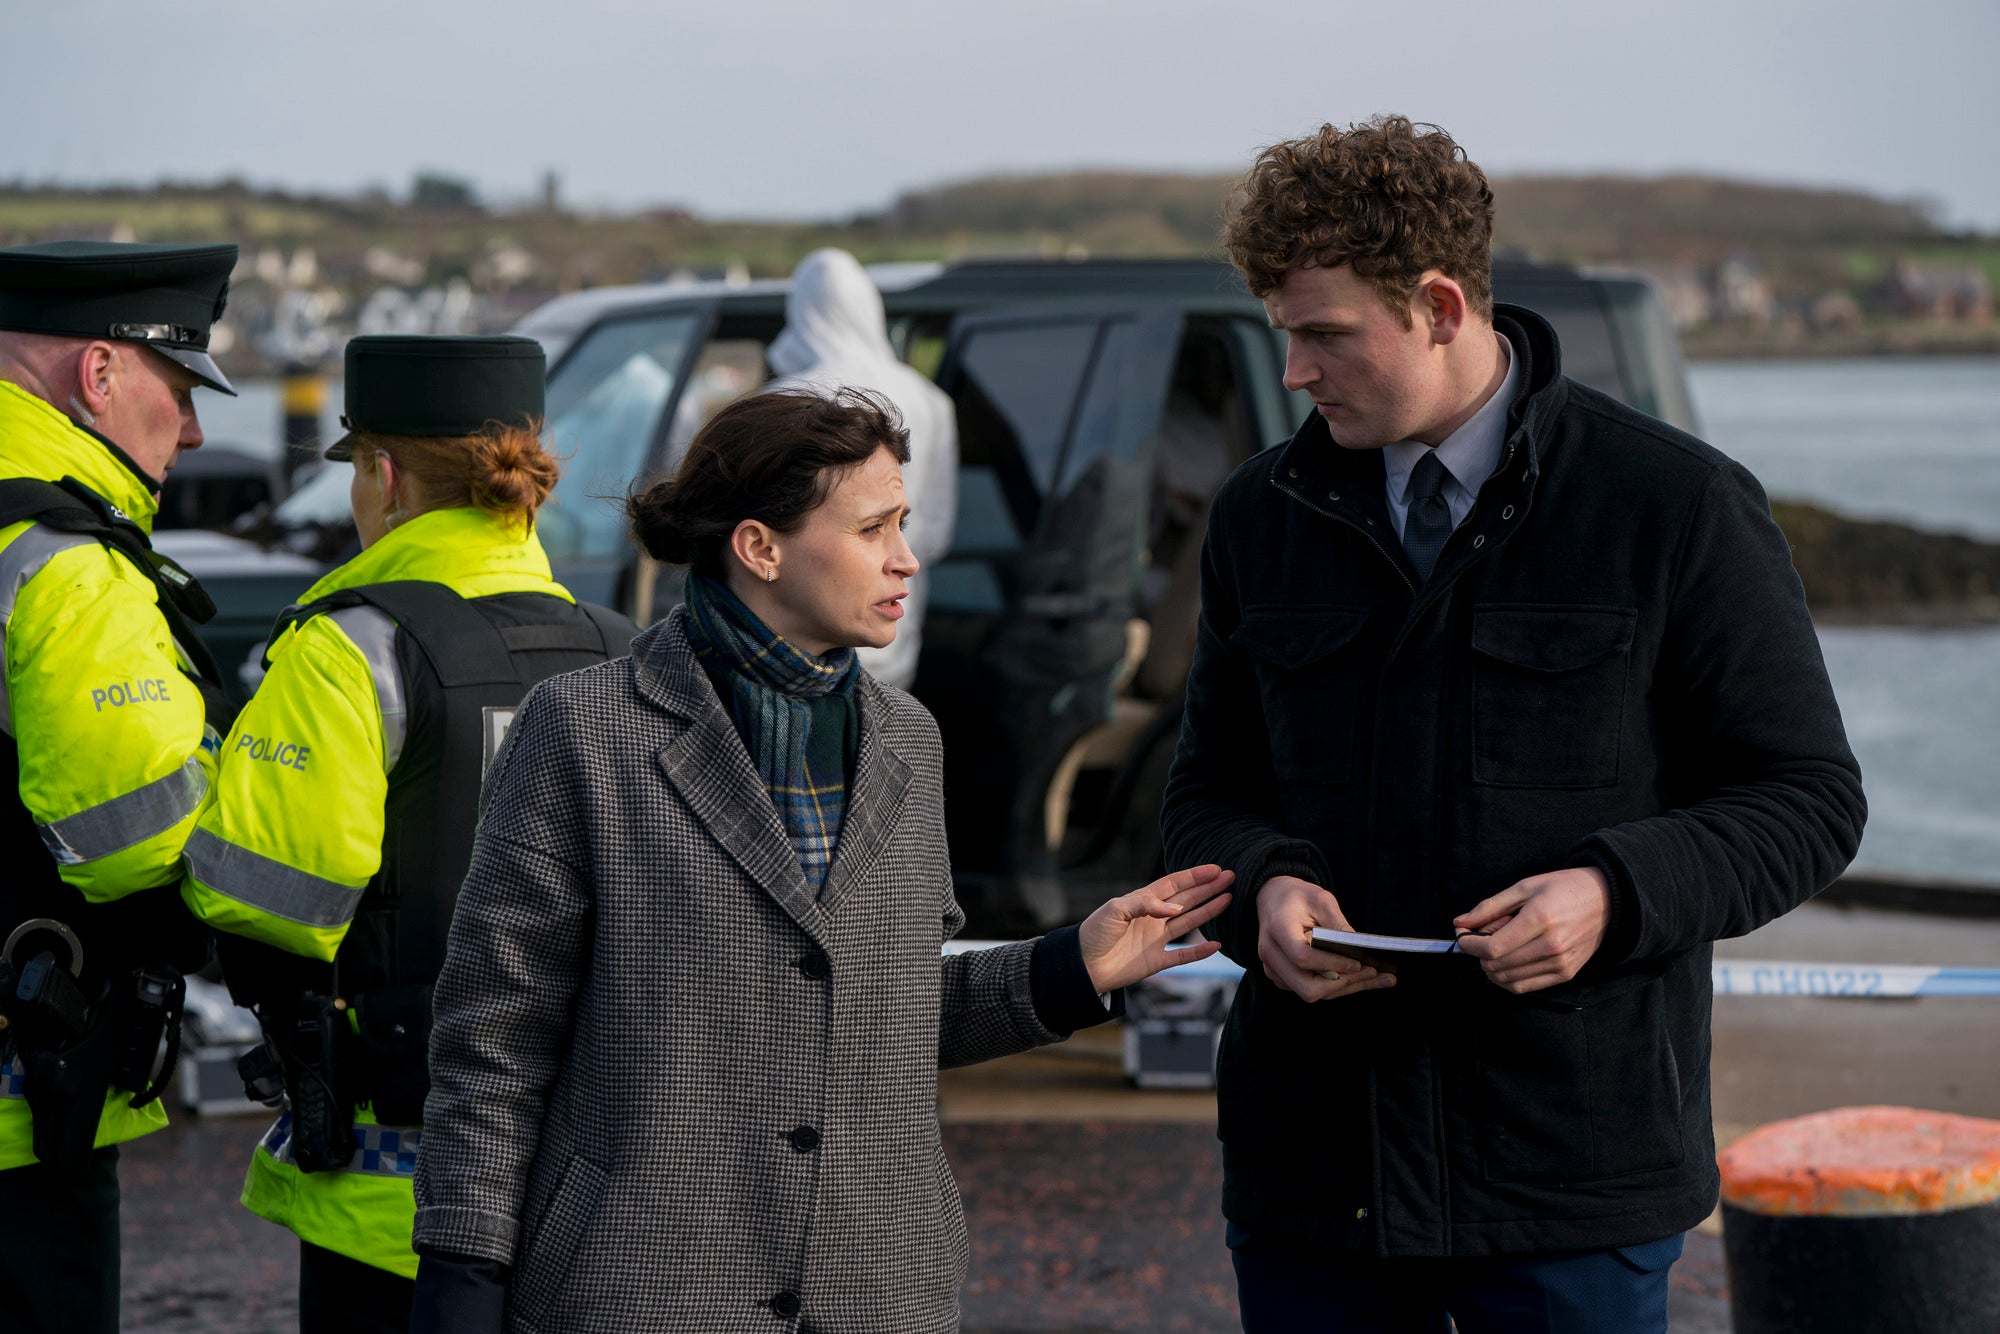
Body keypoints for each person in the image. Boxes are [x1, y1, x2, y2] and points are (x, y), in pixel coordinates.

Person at [1160, 117, 1866, 1333]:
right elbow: (1206, 791)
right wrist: (1261, 889)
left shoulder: (1674, 504)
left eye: (1323, 334)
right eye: (1287, 334)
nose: (1293, 374)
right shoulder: (1253, 518)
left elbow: (1804, 798)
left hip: (1569, 1178)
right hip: (1314, 1175)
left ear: (1437, 304)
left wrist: (1612, 890)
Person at [409, 387, 1231, 1332]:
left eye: (905, 524)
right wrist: (462, 1282)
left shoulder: (906, 741)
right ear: (760, 548)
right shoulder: (584, 730)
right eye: (874, 526)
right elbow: (494, 1039)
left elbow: (878, 1017)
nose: (907, 558)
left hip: (877, 1294)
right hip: (642, 1291)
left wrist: (1065, 970)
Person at [180, 335, 638, 1333]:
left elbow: (262, 897)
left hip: (401, 1193)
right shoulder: (626, 652)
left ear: (382, 476)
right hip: (598, 1185)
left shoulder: (349, 646)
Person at [0, 240, 239, 1333]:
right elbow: (142, 838)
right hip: (21, 1109)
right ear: (101, 374)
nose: (191, 429)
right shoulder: (60, 559)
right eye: (180, 388)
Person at [765, 247, 957, 689]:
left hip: (801, 636)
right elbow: (939, 530)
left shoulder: (788, 399)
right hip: (896, 628)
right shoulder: (930, 400)